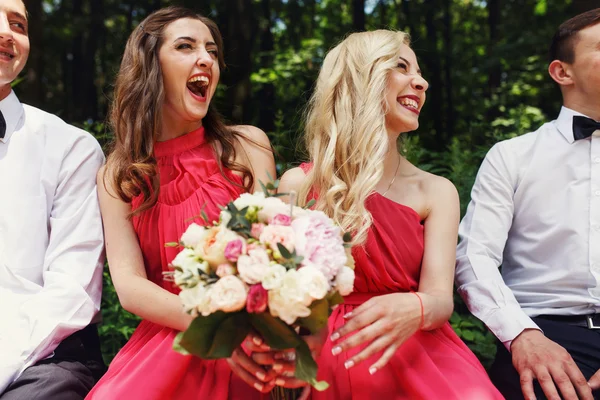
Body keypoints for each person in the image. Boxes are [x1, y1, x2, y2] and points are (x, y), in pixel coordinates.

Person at [277, 30, 503, 400]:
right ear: (359, 79)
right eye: (401, 67)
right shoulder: (298, 185)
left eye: (420, 72)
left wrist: (415, 306)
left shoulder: (437, 191)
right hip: (325, 350)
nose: (422, 81)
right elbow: (279, 292)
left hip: (419, 350)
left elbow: (440, 300)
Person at [85, 7, 281, 399]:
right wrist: (213, 330)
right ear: (149, 65)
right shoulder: (117, 175)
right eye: (186, 46)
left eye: (211, 50)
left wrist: (242, 330)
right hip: (171, 338)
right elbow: (131, 288)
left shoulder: (248, 146)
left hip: (251, 335)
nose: (206, 59)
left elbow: (278, 250)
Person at [455, 8, 600, 400]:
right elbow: (474, 257)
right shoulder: (511, 156)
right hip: (541, 336)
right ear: (562, 72)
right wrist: (521, 335)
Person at [0, 0, 106, 399]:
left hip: (48, 359)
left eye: (18, 24)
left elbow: (71, 294)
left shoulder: (71, 147)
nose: (7, 33)